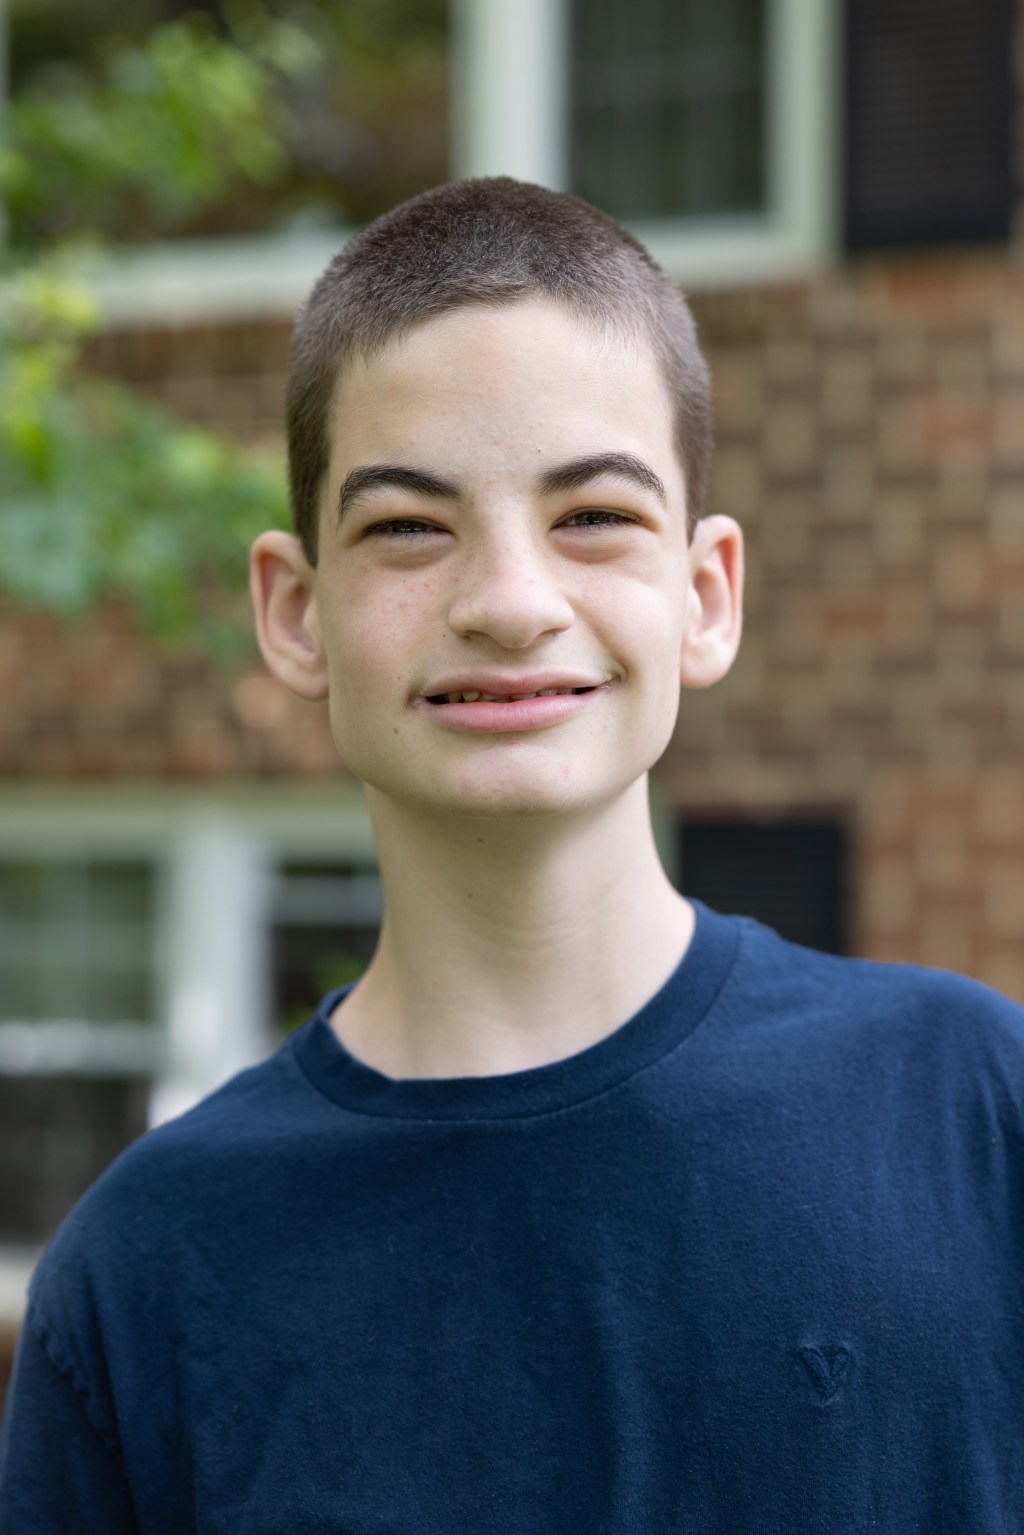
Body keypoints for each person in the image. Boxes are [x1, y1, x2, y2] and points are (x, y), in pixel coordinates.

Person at [1, 177, 1022, 1533]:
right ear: (297, 614)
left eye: (593, 515)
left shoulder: (975, 1112)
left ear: (705, 597)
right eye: (409, 527)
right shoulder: (145, 1272)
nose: (510, 602)